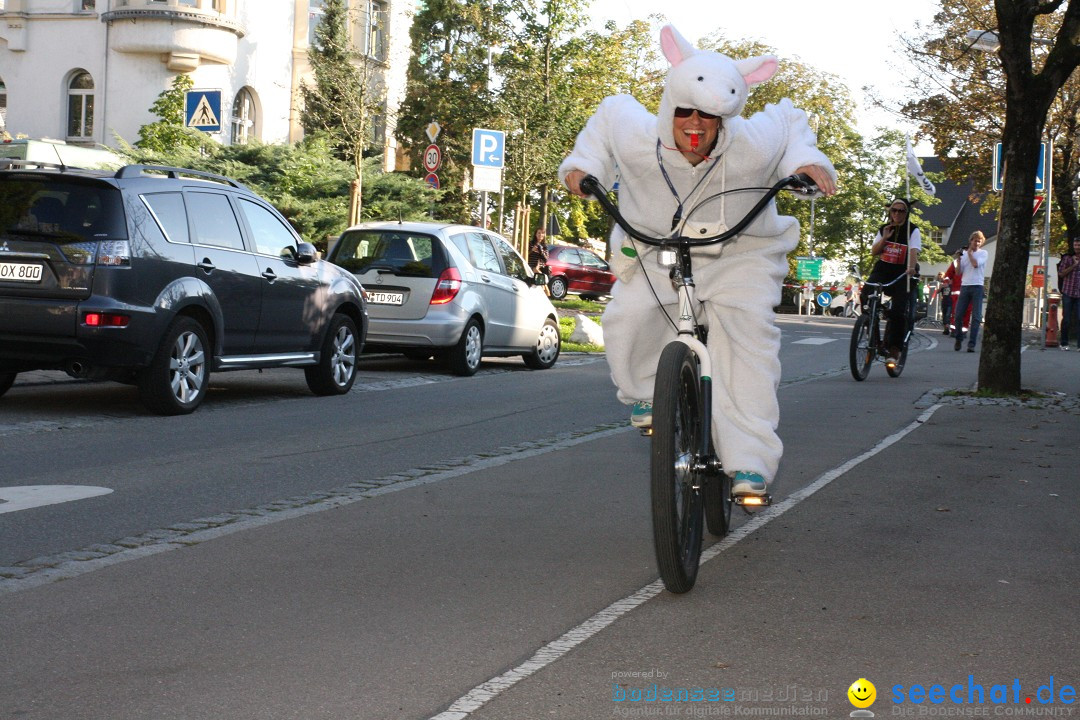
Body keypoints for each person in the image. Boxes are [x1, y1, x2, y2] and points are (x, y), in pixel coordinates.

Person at [560, 25, 837, 498]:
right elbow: (606, 122)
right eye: (685, 111)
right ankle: (649, 392)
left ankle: (748, 462)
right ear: (671, 105)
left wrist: (806, 164)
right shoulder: (636, 135)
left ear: (725, 117)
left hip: (740, 254)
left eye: (708, 115)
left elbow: (790, 124)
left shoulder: (752, 143)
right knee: (628, 315)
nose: (695, 124)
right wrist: (582, 169)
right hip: (656, 249)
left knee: (748, 338)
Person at [861, 199, 921, 366]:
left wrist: (910, 268)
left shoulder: (913, 230)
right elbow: (874, 251)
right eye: (894, 210)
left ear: (906, 213)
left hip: (902, 272)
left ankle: (894, 348)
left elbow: (914, 251)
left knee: (898, 311)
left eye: (901, 211)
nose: (896, 214)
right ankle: (871, 331)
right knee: (865, 294)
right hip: (883, 270)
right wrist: (885, 238)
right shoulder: (884, 229)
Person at [951, 231, 989, 352]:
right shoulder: (964, 255)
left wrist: (970, 254)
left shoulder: (983, 253)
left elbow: (975, 264)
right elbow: (958, 272)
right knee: (958, 315)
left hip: (977, 286)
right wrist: (957, 260)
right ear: (970, 241)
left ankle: (971, 344)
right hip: (965, 286)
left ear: (981, 242)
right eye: (974, 240)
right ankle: (958, 338)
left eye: (979, 241)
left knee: (976, 317)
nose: (976, 243)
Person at [1058, 238, 1080, 350]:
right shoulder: (1067, 258)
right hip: (1068, 292)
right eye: (1075, 245)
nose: (1077, 247)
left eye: (1079, 245)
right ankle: (1064, 343)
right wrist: (1074, 266)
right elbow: (1061, 274)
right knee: (1066, 319)